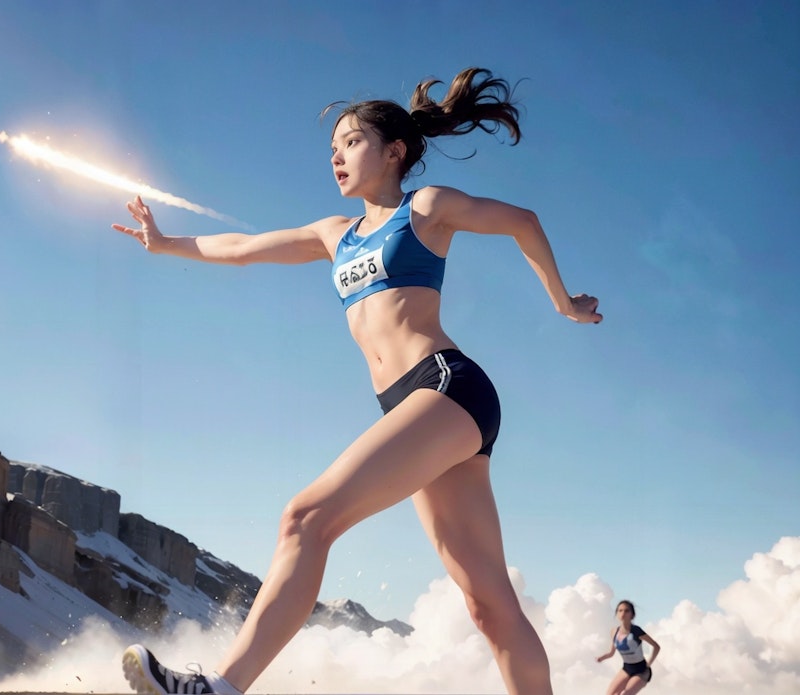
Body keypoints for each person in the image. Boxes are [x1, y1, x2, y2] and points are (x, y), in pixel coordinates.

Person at [114, 67, 602, 695]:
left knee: (305, 518)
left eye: (350, 141)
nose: (337, 156)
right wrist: (166, 243)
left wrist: (562, 302)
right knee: (488, 605)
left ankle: (221, 687)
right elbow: (243, 247)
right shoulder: (335, 235)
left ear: (394, 151)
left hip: (447, 386)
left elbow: (523, 221)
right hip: (412, 408)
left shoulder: (423, 209)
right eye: (332, 148)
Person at [596, 600, 661, 695]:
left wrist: (649, 663)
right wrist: (601, 658)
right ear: (617, 613)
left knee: (624, 694)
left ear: (632, 615)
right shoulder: (614, 631)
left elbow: (656, 646)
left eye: (626, 611)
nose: (623, 613)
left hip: (642, 670)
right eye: (620, 610)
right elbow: (611, 652)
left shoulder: (636, 631)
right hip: (626, 668)